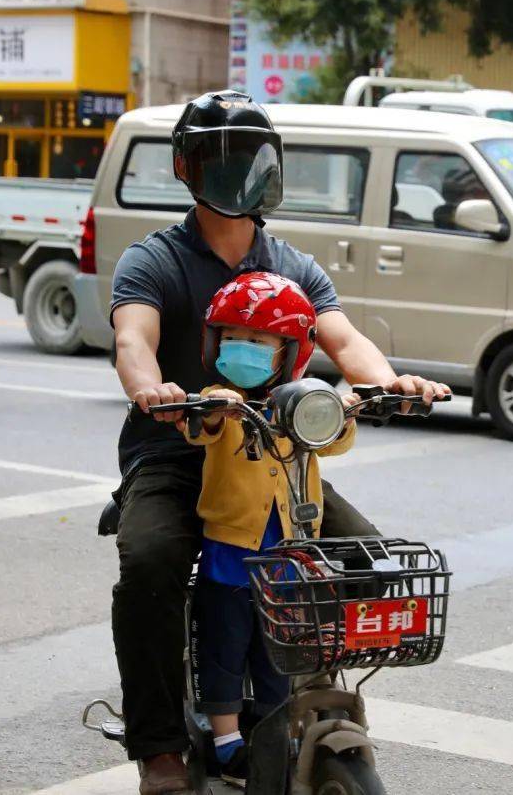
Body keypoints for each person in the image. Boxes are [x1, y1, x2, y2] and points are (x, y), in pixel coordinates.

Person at [110, 89, 449, 795]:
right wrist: (154, 389)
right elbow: (132, 339)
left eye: (255, 155)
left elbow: (346, 340)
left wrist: (393, 382)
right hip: (178, 451)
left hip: (276, 458)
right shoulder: (155, 261)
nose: (240, 170)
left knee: (368, 563)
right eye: (221, 155)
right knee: (150, 564)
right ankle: (162, 747)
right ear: (186, 166)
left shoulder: (295, 267)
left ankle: (293, 699)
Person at [185, 271, 355, 788]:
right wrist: (214, 407)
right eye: (232, 338)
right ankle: (225, 740)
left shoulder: (300, 402)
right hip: (230, 553)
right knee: (225, 644)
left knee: (277, 650)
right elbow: (199, 428)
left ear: (289, 350)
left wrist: (340, 409)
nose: (243, 348)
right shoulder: (219, 398)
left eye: (258, 341)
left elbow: (335, 441)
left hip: (288, 554)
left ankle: (274, 729)